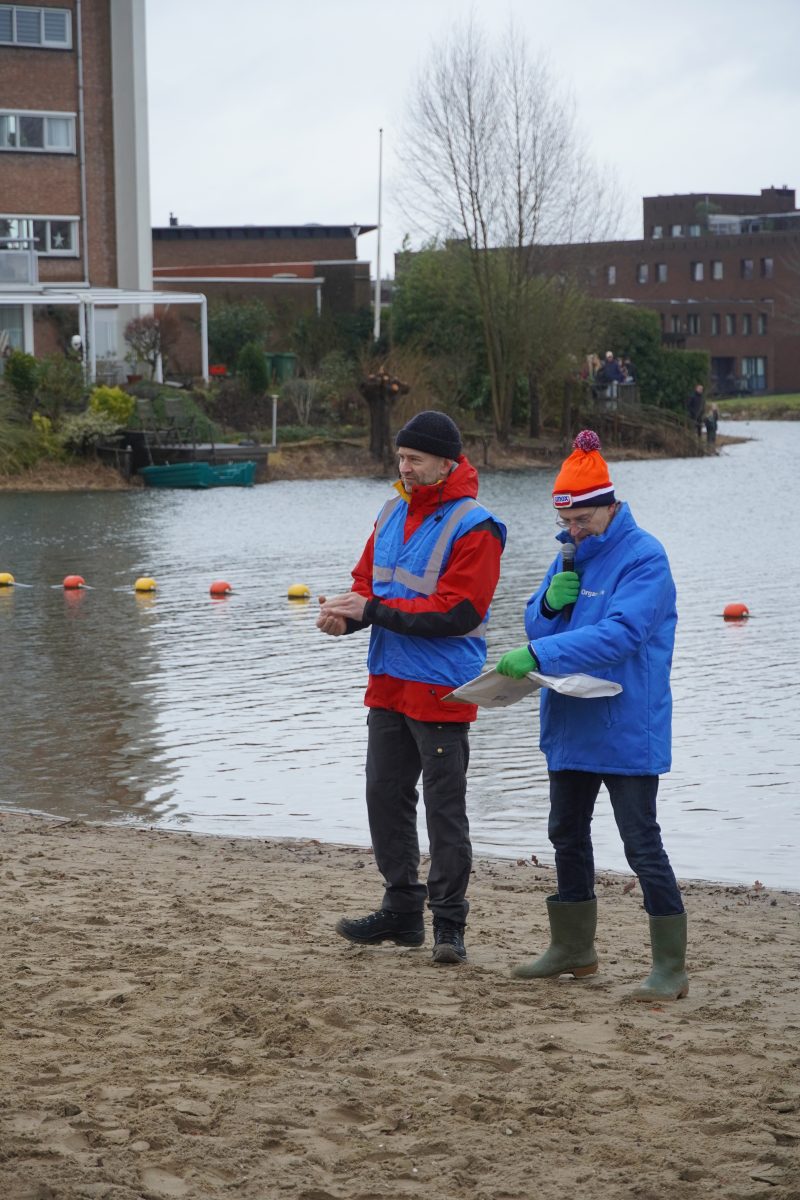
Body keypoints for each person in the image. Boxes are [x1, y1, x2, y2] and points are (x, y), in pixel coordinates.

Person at [494, 429, 688, 1001]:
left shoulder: (645, 557)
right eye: (565, 521)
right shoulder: (568, 552)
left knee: (640, 842)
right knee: (565, 833)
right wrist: (548, 603)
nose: (572, 531)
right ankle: (574, 949)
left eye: (581, 519)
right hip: (570, 721)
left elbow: (622, 635)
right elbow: (537, 622)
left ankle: (670, 968)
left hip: (625, 724)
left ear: (609, 505)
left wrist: (539, 651)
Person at [317, 411, 506, 966]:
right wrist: (345, 618)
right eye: (400, 457)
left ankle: (449, 923)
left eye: (415, 459)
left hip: (442, 689)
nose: (404, 467)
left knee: (444, 811)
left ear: (447, 463)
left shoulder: (477, 526)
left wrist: (371, 611)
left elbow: (457, 612)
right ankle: (402, 911)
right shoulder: (390, 510)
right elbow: (365, 584)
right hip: (387, 683)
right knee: (384, 797)